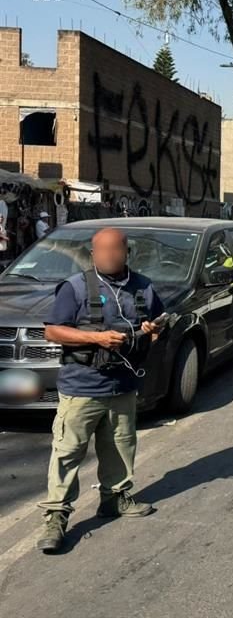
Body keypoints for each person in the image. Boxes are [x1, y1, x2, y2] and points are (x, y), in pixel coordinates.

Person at [37, 227, 165, 553]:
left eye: (114, 250)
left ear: (126, 252)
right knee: (68, 452)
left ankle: (114, 499)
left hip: (122, 385)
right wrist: (96, 338)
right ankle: (56, 517)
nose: (107, 255)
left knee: (121, 446)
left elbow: (155, 329)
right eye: (100, 250)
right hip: (82, 386)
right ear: (92, 254)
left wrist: (151, 331)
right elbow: (52, 331)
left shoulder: (144, 287)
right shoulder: (76, 287)